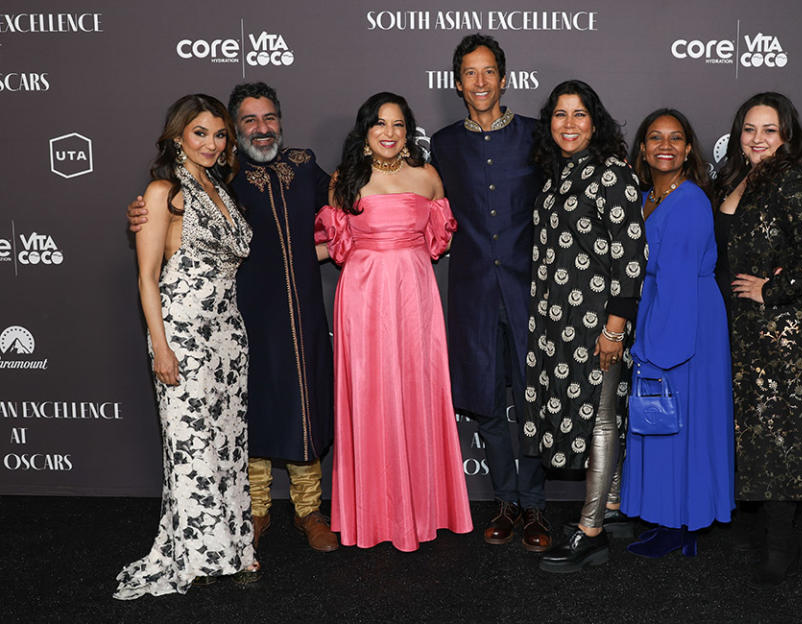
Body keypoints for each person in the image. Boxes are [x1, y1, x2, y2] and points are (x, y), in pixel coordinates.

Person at [128, 82, 337, 553]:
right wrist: (145, 211)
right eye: (248, 121)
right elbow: (169, 224)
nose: (261, 130)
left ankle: (310, 511)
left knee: (305, 407)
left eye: (269, 119)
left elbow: (350, 198)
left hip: (301, 313)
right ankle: (255, 509)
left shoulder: (303, 165)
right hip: (240, 317)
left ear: (281, 121)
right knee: (247, 414)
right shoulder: (223, 178)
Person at [314, 92, 472, 551]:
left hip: (414, 297)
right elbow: (334, 247)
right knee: (369, 395)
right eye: (380, 124)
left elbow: (436, 240)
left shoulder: (427, 177)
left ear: (408, 133)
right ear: (365, 134)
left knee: (418, 391)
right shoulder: (345, 181)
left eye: (398, 124)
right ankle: (374, 514)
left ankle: (424, 509)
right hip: (362, 299)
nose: (389, 132)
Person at [115, 94, 256, 599]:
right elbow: (147, 278)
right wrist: (161, 346)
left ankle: (234, 546)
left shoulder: (221, 188)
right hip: (183, 333)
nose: (212, 143)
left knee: (226, 443)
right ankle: (199, 554)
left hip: (228, 334)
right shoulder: (162, 192)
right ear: (178, 136)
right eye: (200, 133)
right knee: (190, 447)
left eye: (220, 134)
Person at [430, 34, 550, 551]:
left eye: (488, 72)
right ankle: (506, 501)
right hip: (474, 292)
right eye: (469, 74)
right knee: (489, 404)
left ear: (504, 79)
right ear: (458, 84)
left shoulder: (535, 137)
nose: (480, 82)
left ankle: (537, 507)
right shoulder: (444, 144)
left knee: (533, 400)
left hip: (530, 291)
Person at [522, 80, 647, 573]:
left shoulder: (611, 174)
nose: (568, 124)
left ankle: (590, 531)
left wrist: (615, 327)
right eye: (559, 114)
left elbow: (631, 256)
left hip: (598, 322)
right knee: (603, 412)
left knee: (599, 417)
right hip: (560, 323)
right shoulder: (557, 177)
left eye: (579, 114)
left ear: (595, 122)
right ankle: (612, 506)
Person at [715, 92, 802, 585]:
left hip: (780, 334)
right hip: (739, 329)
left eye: (769, 129)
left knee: (780, 437)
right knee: (754, 434)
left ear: (786, 135)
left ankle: (781, 544)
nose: (758, 138)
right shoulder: (734, 178)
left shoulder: (791, 180)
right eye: (749, 128)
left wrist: (774, 289)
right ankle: (761, 528)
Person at [618, 109, 735, 558]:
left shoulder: (688, 201)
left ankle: (684, 524)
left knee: (679, 422)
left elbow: (680, 280)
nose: (664, 146)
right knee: (662, 422)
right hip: (661, 312)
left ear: (688, 149)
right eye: (654, 138)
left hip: (684, 323)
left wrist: (660, 349)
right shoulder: (649, 195)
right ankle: (668, 517)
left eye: (675, 138)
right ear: (643, 149)